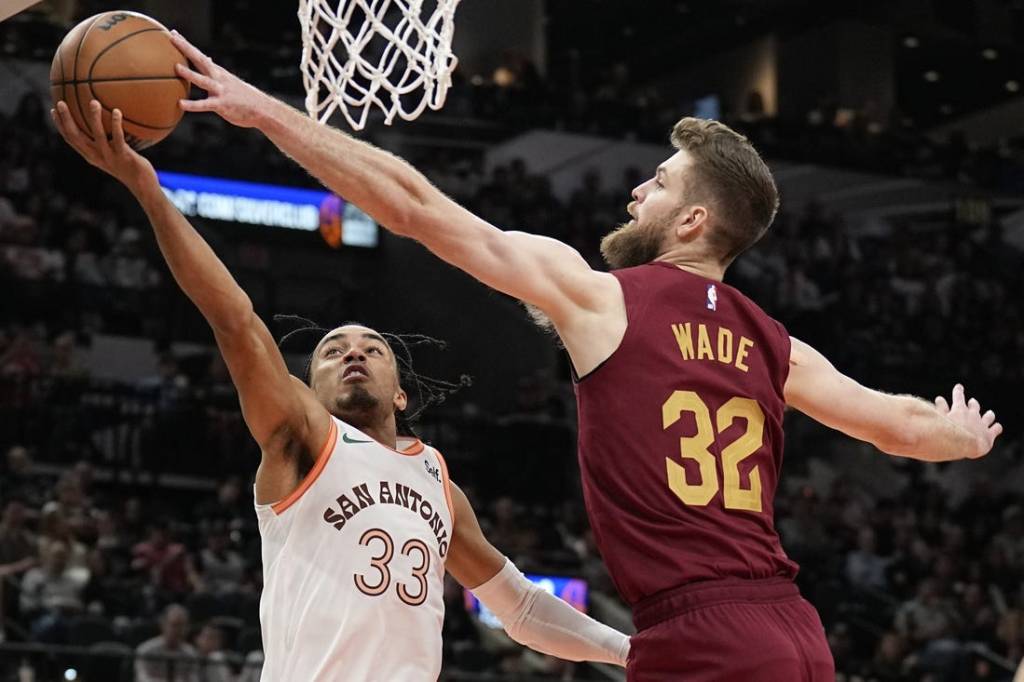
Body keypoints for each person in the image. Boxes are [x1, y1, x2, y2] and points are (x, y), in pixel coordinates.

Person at [163, 32, 1004, 681]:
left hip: (699, 630)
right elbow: (898, 427)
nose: (638, 189)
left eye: (661, 182)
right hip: (793, 628)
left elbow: (419, 207)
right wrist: (961, 436)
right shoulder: (773, 343)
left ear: (691, 223)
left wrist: (264, 111)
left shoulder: (603, 296)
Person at [51, 100, 629, 681]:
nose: (353, 352)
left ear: (401, 394)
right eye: (332, 351)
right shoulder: (301, 437)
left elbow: (523, 608)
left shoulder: (437, 481)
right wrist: (150, 192)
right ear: (309, 387)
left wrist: (632, 652)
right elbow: (235, 320)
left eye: (372, 349)